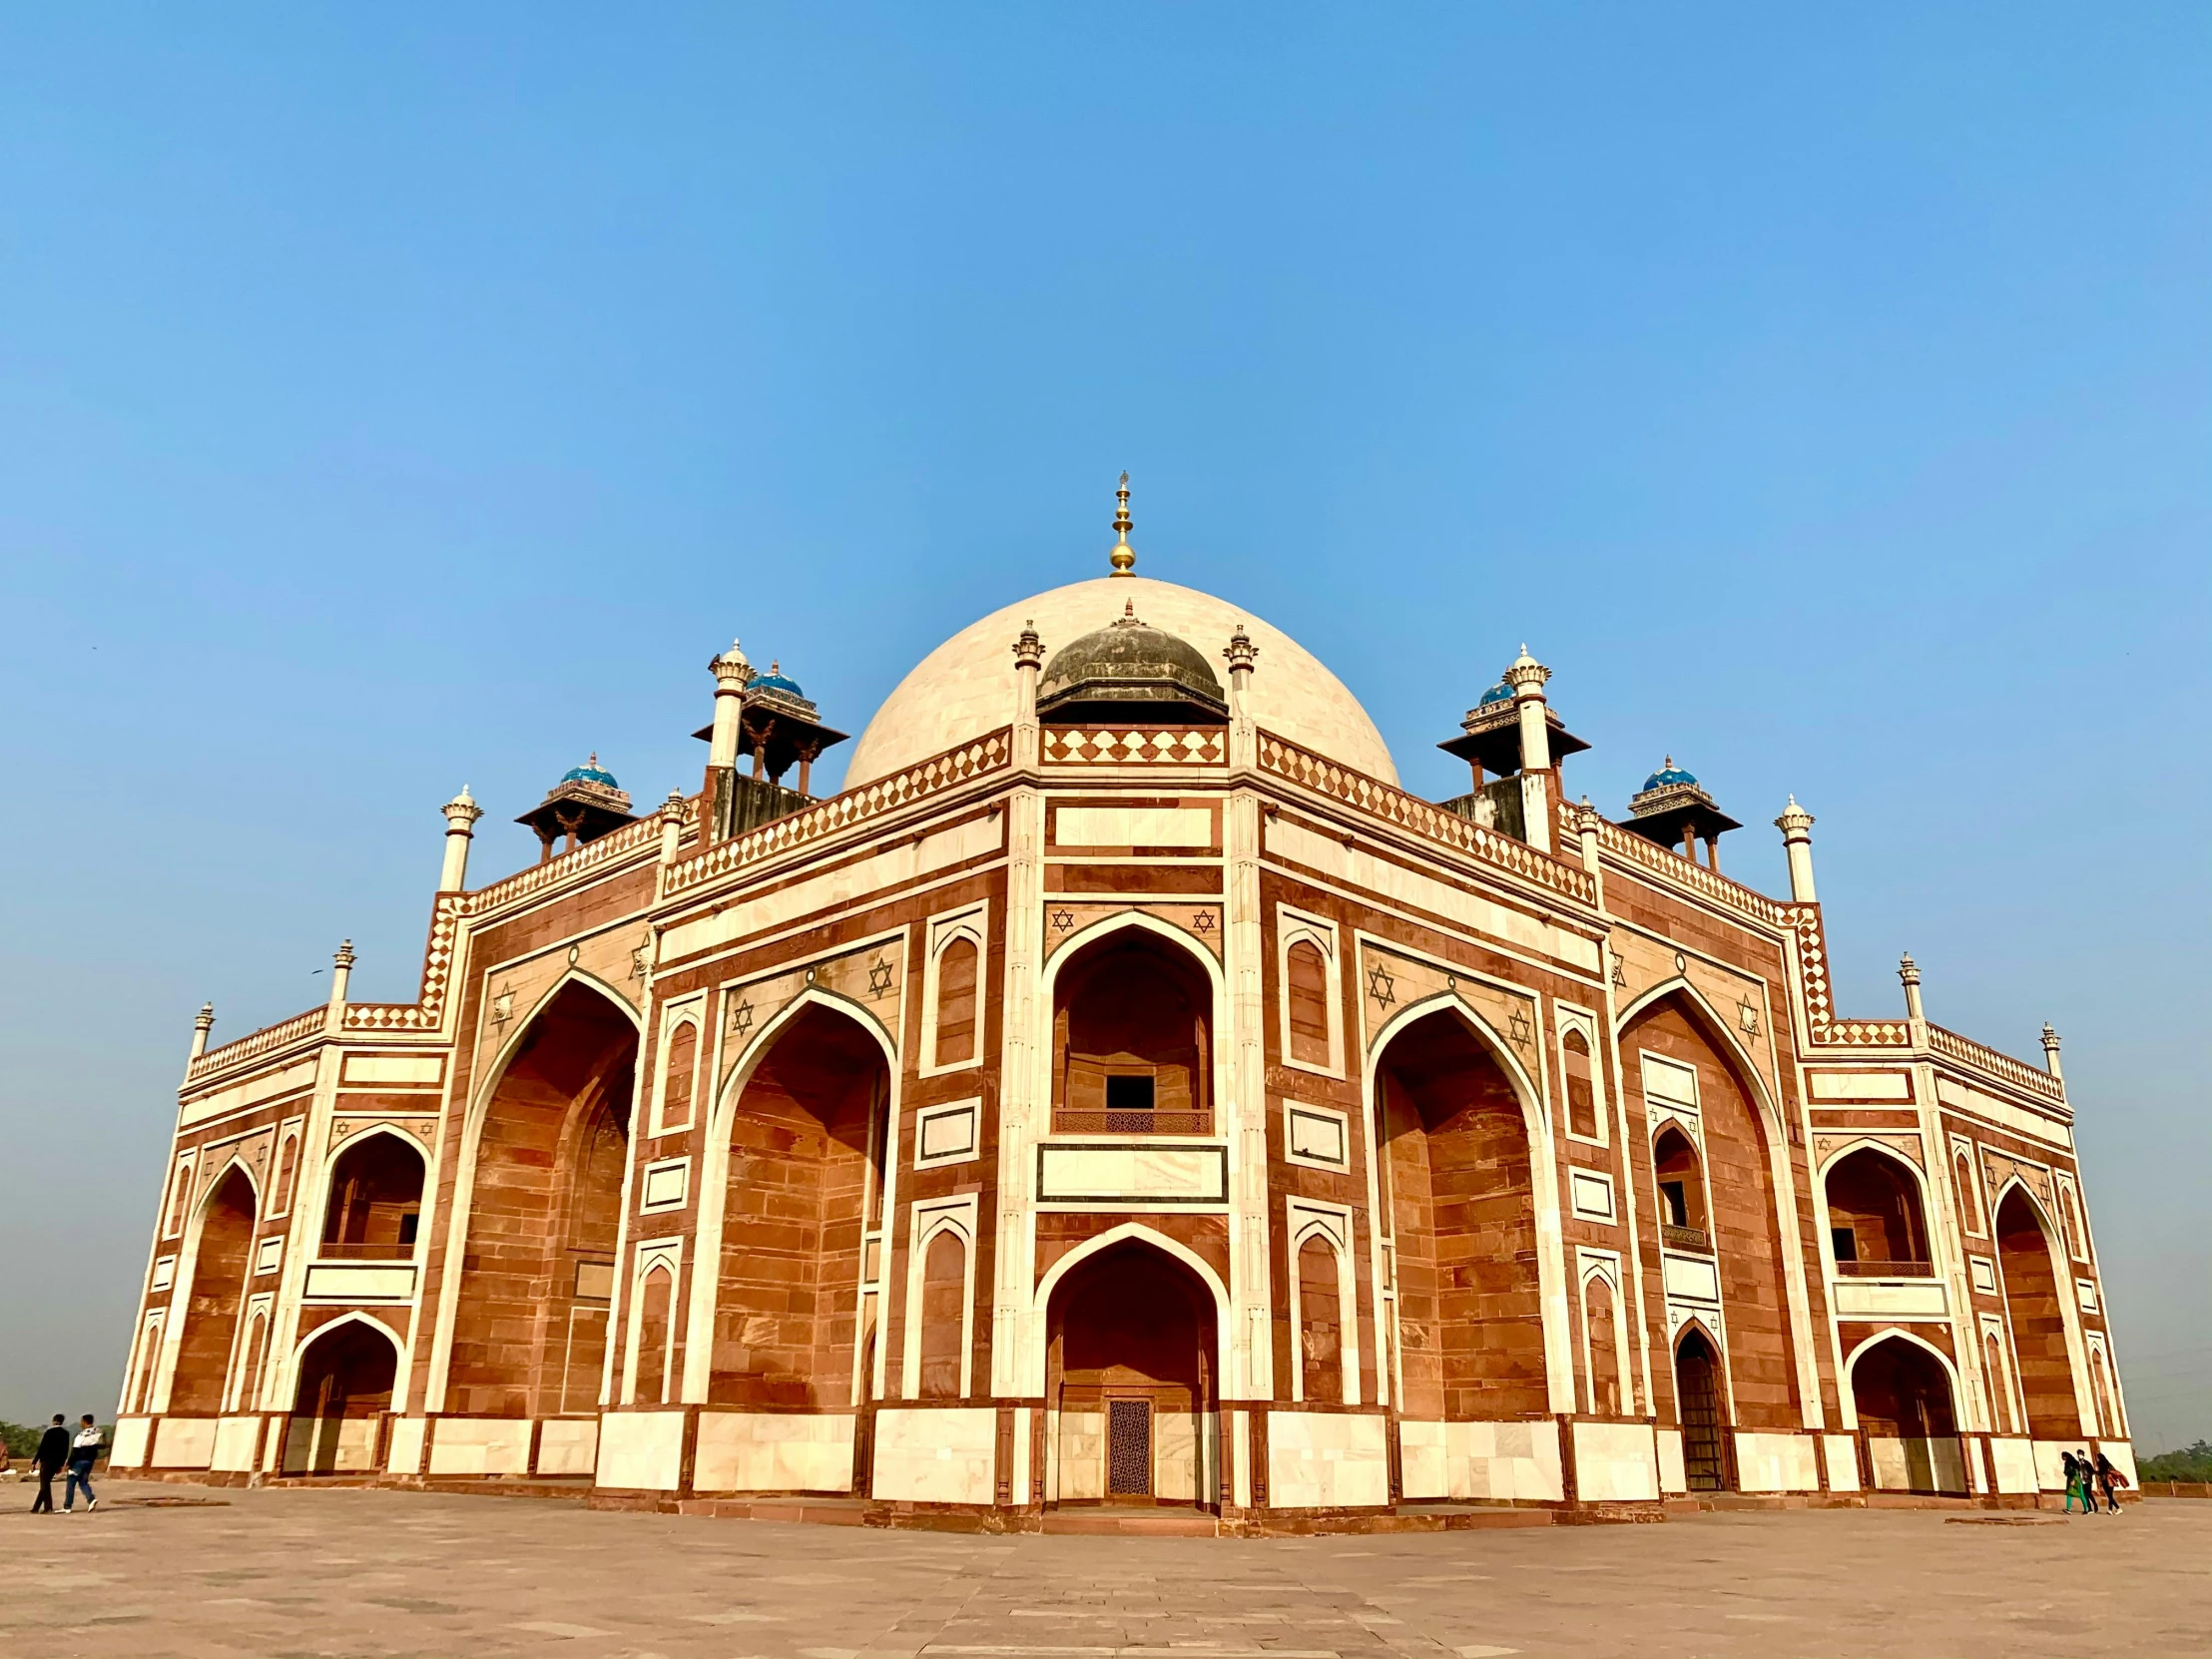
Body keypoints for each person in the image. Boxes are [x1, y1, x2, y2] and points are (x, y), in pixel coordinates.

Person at [29, 1414, 68, 1514]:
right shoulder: (65, 1434)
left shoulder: (49, 1433)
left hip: (46, 1461)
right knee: (45, 1484)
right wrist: (61, 1464)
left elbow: (42, 1448)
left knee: (44, 1485)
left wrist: (34, 1461)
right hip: (56, 1462)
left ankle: (45, 1507)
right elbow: (65, 1451)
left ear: (53, 1421)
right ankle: (38, 1507)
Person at [64, 1416, 101, 1513]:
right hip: (89, 1462)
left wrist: (68, 1464)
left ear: (84, 1422)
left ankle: (67, 1506)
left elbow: (75, 1452)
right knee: (83, 1482)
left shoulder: (81, 1436)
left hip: (78, 1462)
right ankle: (91, 1499)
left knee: (71, 1483)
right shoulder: (97, 1434)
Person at [2095, 1449, 2127, 1514]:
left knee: (2110, 1496)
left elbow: (2102, 1473)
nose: (2097, 1459)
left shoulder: (2104, 1465)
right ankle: (2110, 1510)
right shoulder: (2106, 1465)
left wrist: (2096, 1471)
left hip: (2108, 1481)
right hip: (2108, 1482)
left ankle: (2118, 1508)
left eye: (2097, 1458)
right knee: (2110, 1496)